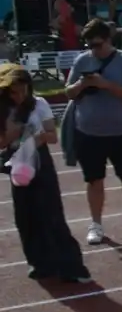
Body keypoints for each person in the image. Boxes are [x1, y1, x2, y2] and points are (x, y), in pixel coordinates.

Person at [63, 18, 122, 246]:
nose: (93, 50)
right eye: (89, 45)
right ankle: (96, 224)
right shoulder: (82, 60)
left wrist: (105, 85)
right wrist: (82, 84)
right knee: (94, 180)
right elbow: (69, 92)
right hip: (89, 133)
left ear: (108, 40)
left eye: (97, 44)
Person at [1, 63, 90, 283]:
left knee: (52, 214)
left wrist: (34, 137)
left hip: (40, 160)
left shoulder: (39, 103)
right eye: (14, 92)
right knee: (25, 215)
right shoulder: (3, 109)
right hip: (17, 163)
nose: (19, 96)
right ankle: (39, 263)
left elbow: (52, 136)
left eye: (23, 90)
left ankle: (72, 267)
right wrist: (15, 133)